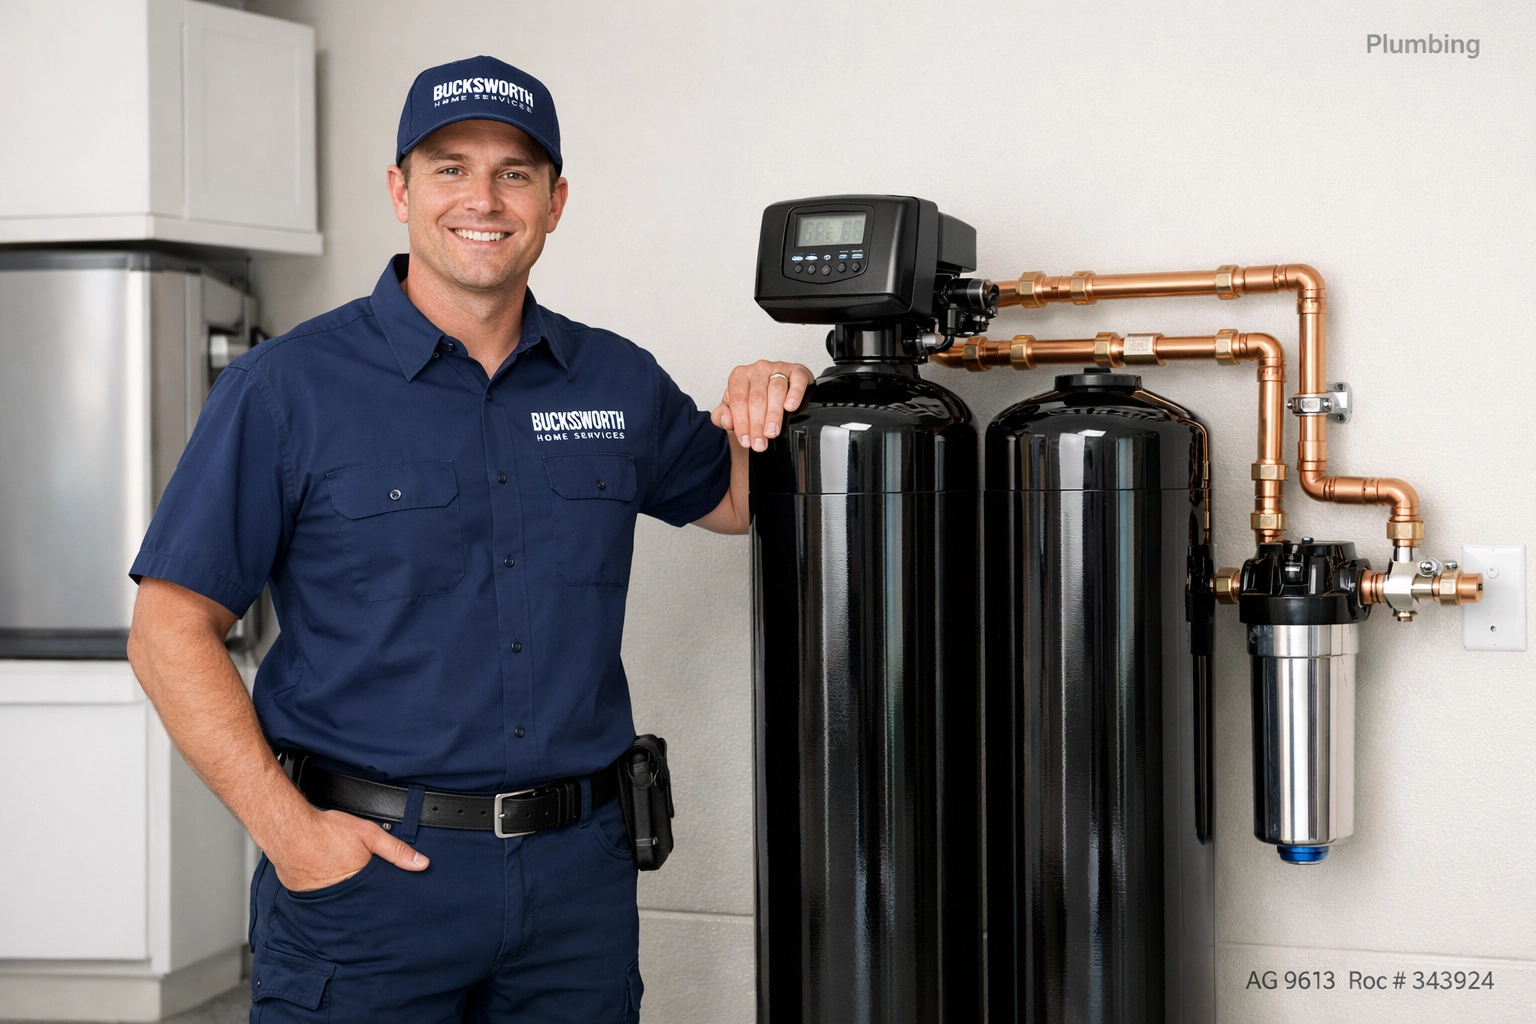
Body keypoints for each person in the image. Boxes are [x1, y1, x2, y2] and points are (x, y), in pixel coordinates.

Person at [126, 55, 810, 1023]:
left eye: (514, 173)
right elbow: (167, 631)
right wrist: (290, 834)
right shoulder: (285, 390)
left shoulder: (616, 382)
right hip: (368, 889)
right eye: (450, 168)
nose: (482, 199)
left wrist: (773, 400)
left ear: (555, 201)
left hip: (576, 893)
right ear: (400, 190)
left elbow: (739, 500)